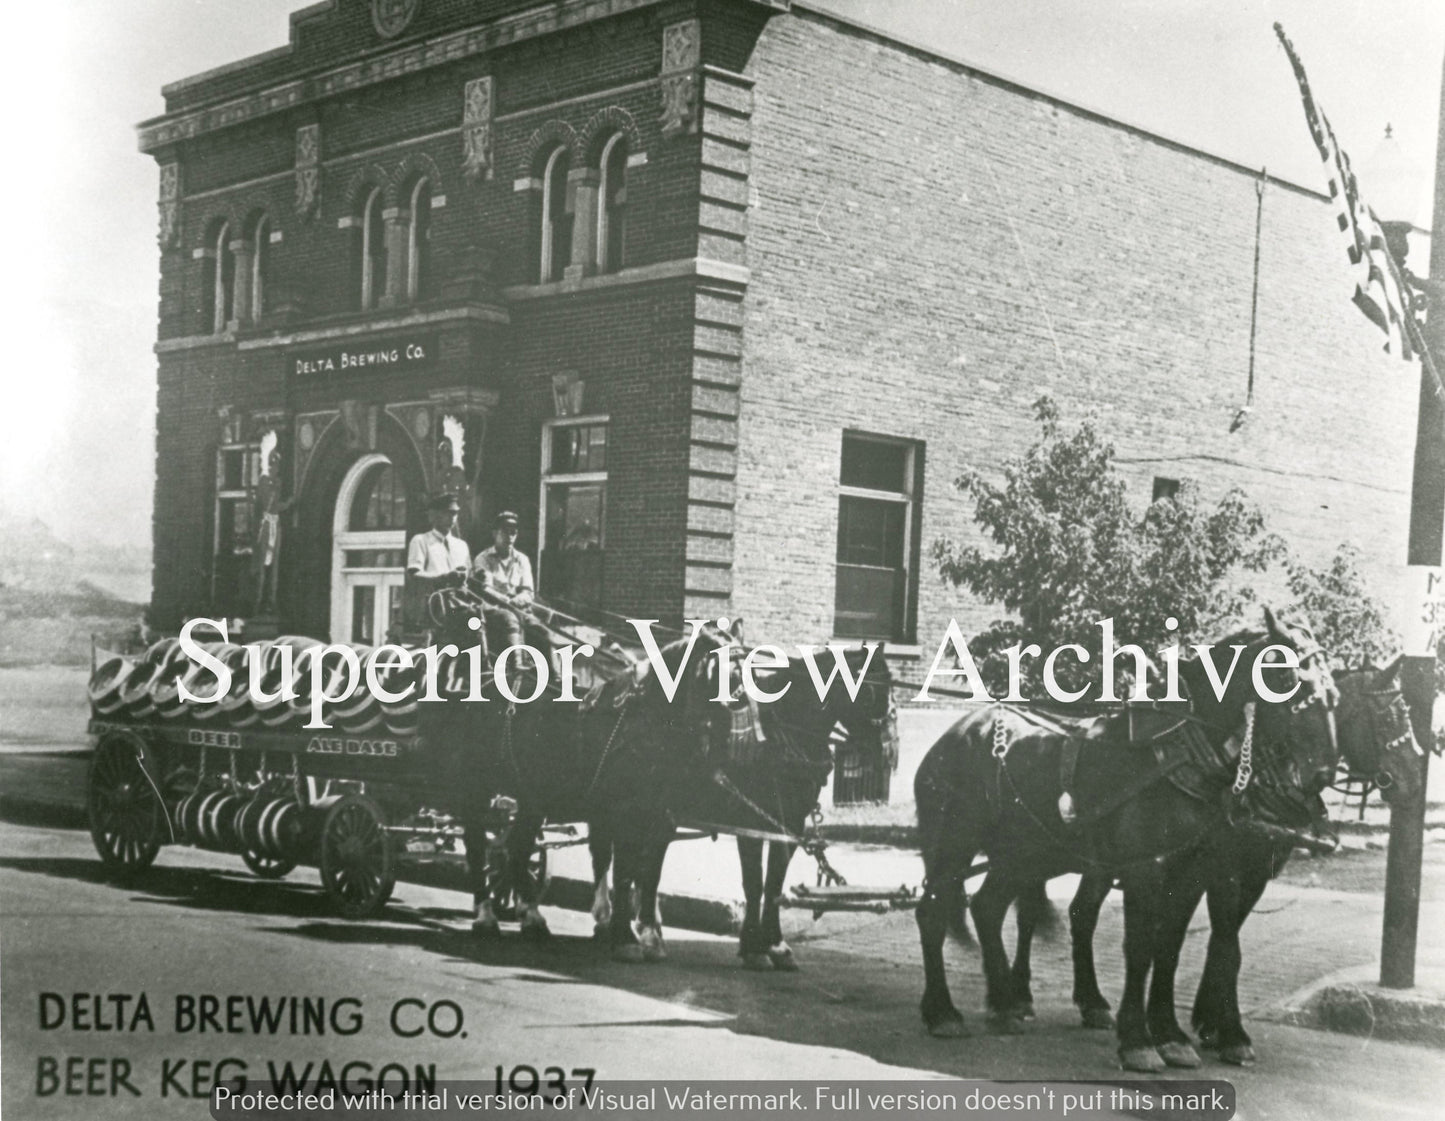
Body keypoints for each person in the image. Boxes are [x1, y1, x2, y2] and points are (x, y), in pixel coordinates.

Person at [405, 494, 472, 626]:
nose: (452, 518)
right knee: (469, 617)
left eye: (455, 513)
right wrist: (444, 577)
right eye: (447, 513)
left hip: (460, 600)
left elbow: (469, 575)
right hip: (434, 602)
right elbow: (414, 574)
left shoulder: (461, 545)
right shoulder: (421, 540)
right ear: (434, 516)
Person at [473, 510, 534, 653]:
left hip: (518, 609)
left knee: (543, 631)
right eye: (505, 532)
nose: (510, 536)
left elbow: (527, 591)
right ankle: (517, 668)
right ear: (495, 533)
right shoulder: (483, 559)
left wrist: (518, 601)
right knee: (510, 619)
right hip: (493, 611)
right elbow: (485, 589)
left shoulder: (522, 560)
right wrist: (507, 601)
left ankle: (556, 675)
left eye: (513, 532)